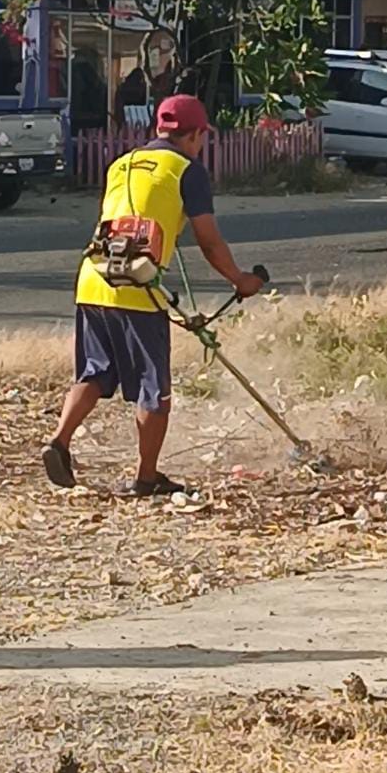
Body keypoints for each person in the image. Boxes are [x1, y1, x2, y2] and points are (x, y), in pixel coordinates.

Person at [43, 93, 264, 497]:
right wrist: (240, 279)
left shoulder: (122, 163)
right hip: (138, 288)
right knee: (153, 388)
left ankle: (59, 440)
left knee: (95, 372)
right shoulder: (187, 170)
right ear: (194, 135)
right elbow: (209, 241)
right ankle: (146, 477)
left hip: (93, 279)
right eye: (202, 137)